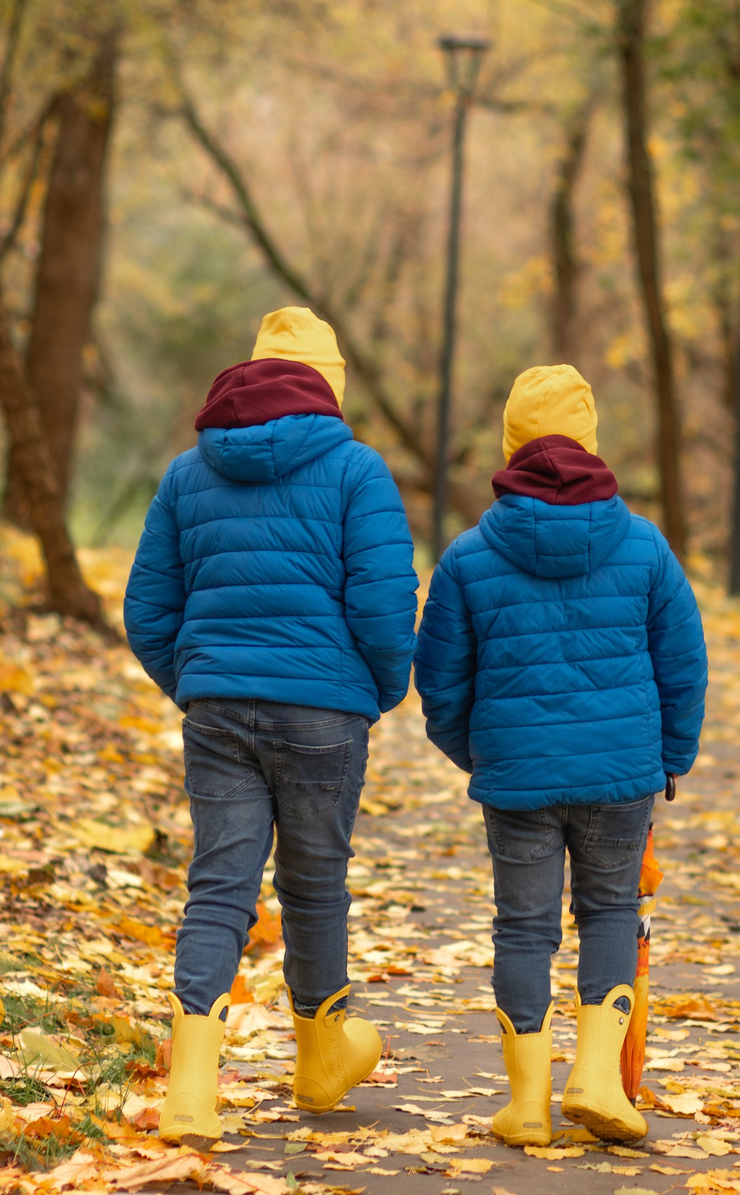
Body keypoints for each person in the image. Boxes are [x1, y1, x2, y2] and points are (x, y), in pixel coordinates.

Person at [124, 308, 419, 1149]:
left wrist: (198, 682)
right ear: (329, 384)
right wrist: (374, 689)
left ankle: (190, 1092)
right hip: (325, 711)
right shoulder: (357, 470)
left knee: (220, 885)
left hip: (218, 711)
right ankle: (321, 1060)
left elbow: (147, 608)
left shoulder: (190, 472)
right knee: (315, 885)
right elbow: (384, 606)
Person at [413, 366, 707, 1145]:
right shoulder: (643, 546)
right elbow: (683, 661)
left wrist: (481, 752)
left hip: (518, 779)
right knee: (609, 912)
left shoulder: (470, 556)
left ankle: (525, 1104)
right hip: (621, 775)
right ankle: (597, 1079)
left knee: (523, 927)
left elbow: (438, 679)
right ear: (590, 442)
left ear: (511, 444)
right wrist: (670, 755)